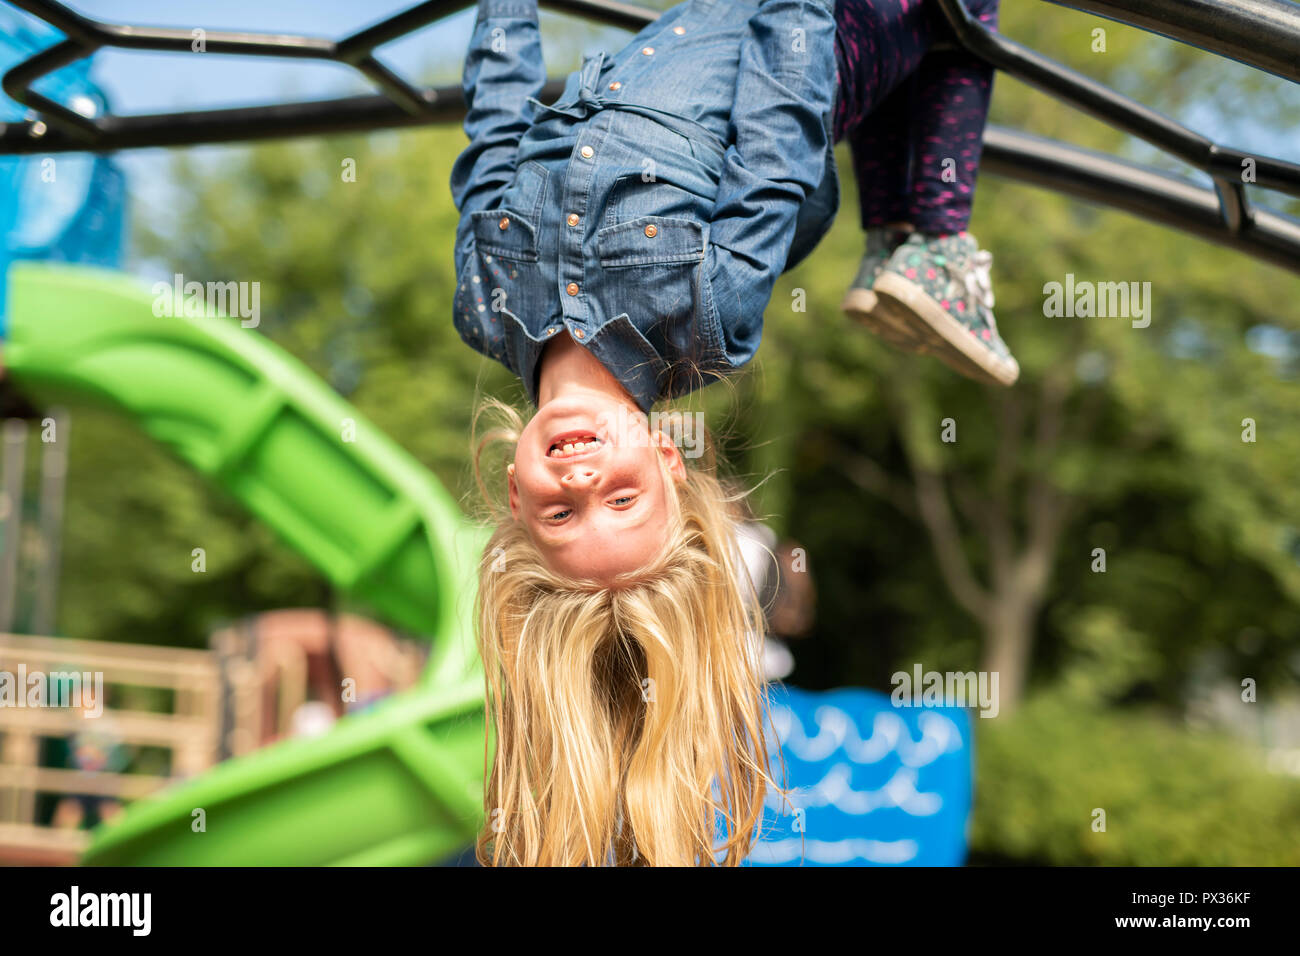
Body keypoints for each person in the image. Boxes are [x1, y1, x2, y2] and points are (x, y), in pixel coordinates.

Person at [449, 0, 1007, 866]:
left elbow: (494, 126)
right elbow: (781, 128)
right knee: (960, 13)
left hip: (694, 33)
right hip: (796, 46)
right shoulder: (705, 321)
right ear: (668, 464)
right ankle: (929, 239)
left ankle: (907, 236)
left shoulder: (486, 303)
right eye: (623, 500)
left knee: (928, 52)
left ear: (518, 500)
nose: (584, 482)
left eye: (561, 518)